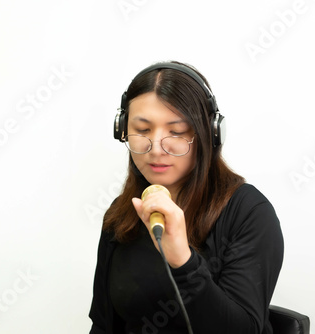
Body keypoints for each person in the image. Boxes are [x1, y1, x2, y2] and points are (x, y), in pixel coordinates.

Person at [89, 61, 284, 334]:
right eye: (142, 130)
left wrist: (183, 260)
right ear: (123, 130)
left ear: (209, 133)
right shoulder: (121, 213)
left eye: (177, 132)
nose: (156, 149)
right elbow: (103, 324)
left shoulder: (249, 212)